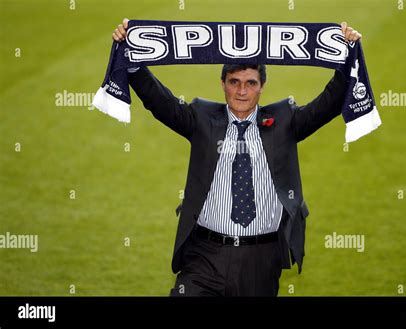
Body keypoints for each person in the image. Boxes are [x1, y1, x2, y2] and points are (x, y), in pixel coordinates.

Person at [113, 19, 362, 296]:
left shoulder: (285, 121)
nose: (242, 91)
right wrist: (131, 55)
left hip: (261, 260)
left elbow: (327, 104)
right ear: (222, 84)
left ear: (262, 86)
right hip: (204, 256)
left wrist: (348, 53)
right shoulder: (201, 118)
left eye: (250, 83)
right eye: (234, 82)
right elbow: (158, 100)